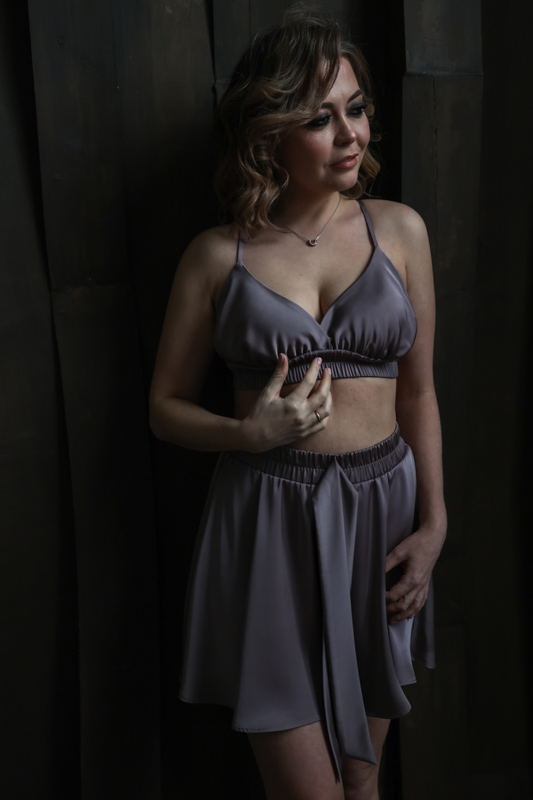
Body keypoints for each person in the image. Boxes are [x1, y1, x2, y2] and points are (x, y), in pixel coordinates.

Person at [149, 8, 446, 800]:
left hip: (381, 514)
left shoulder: (400, 232)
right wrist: (247, 433)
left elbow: (418, 390)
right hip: (266, 520)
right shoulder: (216, 255)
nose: (350, 134)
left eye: (356, 108)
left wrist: (433, 525)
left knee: (361, 782)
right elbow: (164, 407)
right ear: (269, 132)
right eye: (319, 118)